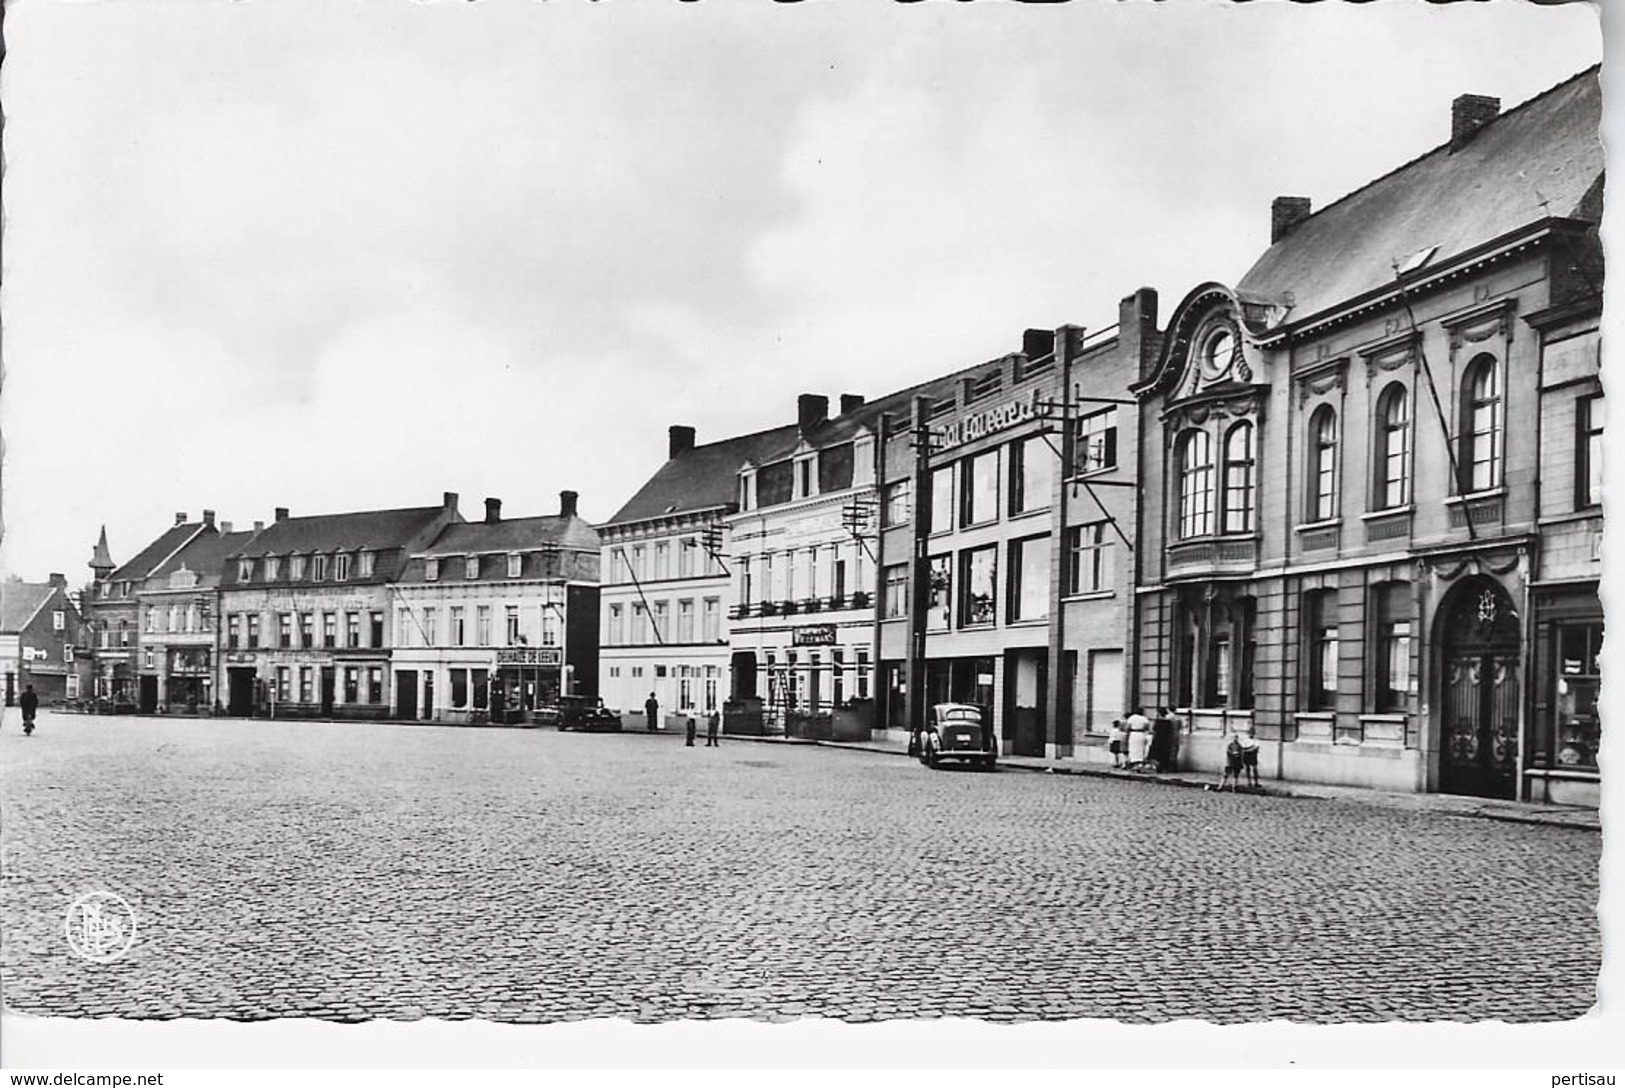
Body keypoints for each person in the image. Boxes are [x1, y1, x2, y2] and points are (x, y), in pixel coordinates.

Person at [1123, 706, 1152, 771]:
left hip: (1134, 734)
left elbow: (1128, 727)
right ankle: (1140, 762)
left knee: (1133, 748)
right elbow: (1147, 727)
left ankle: (1133, 762)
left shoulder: (1132, 718)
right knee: (1141, 748)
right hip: (1141, 734)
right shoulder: (1144, 719)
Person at [1237, 726, 1261, 790]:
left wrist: (1249, 749)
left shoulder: (1256, 740)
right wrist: (1250, 749)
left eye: (1252, 733)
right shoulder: (1245, 740)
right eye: (1250, 733)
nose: (1251, 734)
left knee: (1254, 769)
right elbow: (1243, 747)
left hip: (1253, 755)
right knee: (1247, 769)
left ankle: (1256, 782)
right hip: (1247, 755)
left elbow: (1256, 748)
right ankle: (1249, 782)